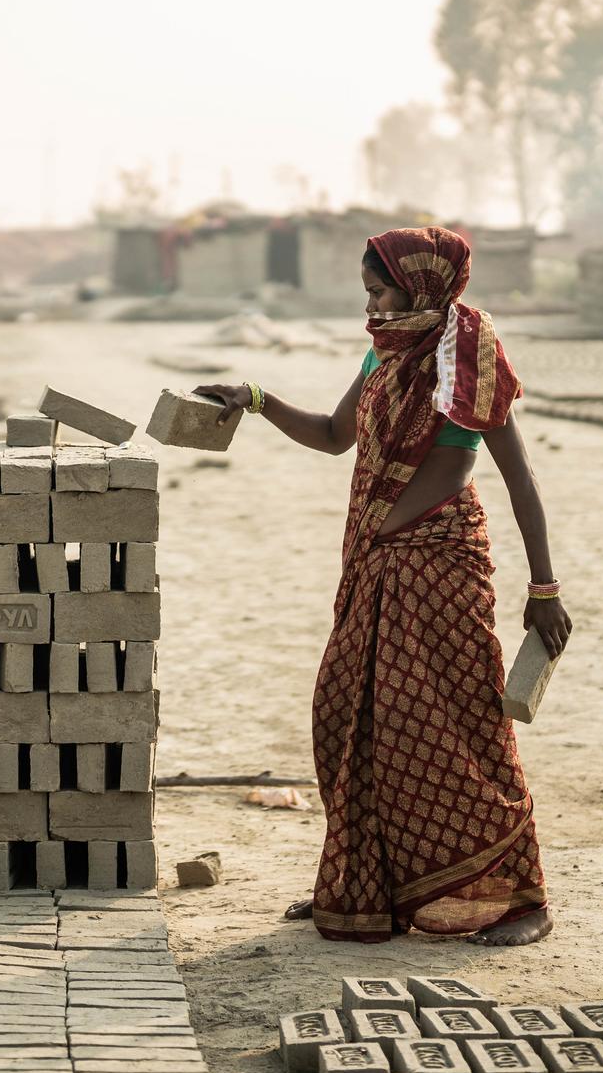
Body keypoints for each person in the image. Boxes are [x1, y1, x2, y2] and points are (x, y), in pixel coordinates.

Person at [196, 225, 570, 948]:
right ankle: (365, 880)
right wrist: (255, 397)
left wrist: (546, 587)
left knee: (450, 735)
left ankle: (520, 898)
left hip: (438, 564)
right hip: (373, 561)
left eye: (378, 291)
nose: (369, 306)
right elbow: (337, 435)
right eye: (366, 293)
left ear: (420, 285)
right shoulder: (383, 350)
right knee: (350, 720)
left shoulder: (467, 357)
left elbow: (519, 478)